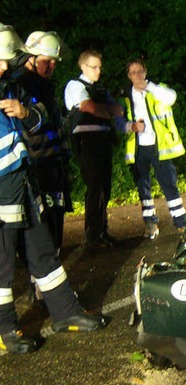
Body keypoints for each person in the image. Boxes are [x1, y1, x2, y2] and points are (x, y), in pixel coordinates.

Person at [0, 24, 105, 355]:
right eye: (1, 60)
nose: (6, 66)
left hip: (22, 181)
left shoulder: (8, 86)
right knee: (1, 261)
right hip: (3, 186)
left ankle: (65, 313)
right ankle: (5, 330)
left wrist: (26, 112)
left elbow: (33, 122)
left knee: (43, 247)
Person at [15, 31, 71, 251]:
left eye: (54, 63)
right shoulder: (22, 87)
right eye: (46, 61)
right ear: (31, 58)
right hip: (35, 166)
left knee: (55, 219)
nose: (51, 67)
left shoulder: (45, 87)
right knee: (42, 227)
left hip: (52, 165)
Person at [64, 50, 123, 250]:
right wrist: (105, 111)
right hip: (87, 143)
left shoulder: (98, 89)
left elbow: (118, 110)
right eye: (94, 67)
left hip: (103, 141)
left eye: (100, 66)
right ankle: (92, 237)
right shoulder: (75, 86)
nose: (99, 70)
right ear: (83, 67)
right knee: (95, 188)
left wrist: (105, 110)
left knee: (104, 188)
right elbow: (90, 108)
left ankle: (101, 231)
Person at [121, 58, 186, 240]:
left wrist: (149, 86)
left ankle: (181, 223)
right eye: (133, 73)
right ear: (128, 76)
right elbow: (118, 122)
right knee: (143, 188)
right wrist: (131, 126)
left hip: (160, 147)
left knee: (169, 184)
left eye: (140, 71)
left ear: (145, 72)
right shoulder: (125, 96)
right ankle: (150, 223)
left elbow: (171, 98)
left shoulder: (157, 90)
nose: (137, 75)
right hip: (139, 148)